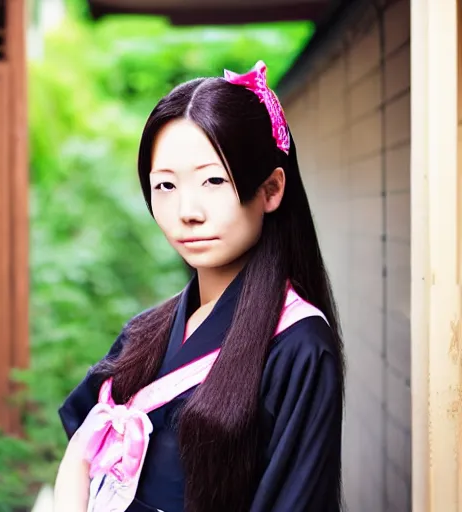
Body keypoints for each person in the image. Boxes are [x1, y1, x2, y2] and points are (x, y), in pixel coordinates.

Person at [54, 60, 345, 512]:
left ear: (270, 189)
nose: (187, 211)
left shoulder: (300, 346)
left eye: (213, 180)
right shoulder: (145, 332)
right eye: (165, 186)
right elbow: (82, 453)